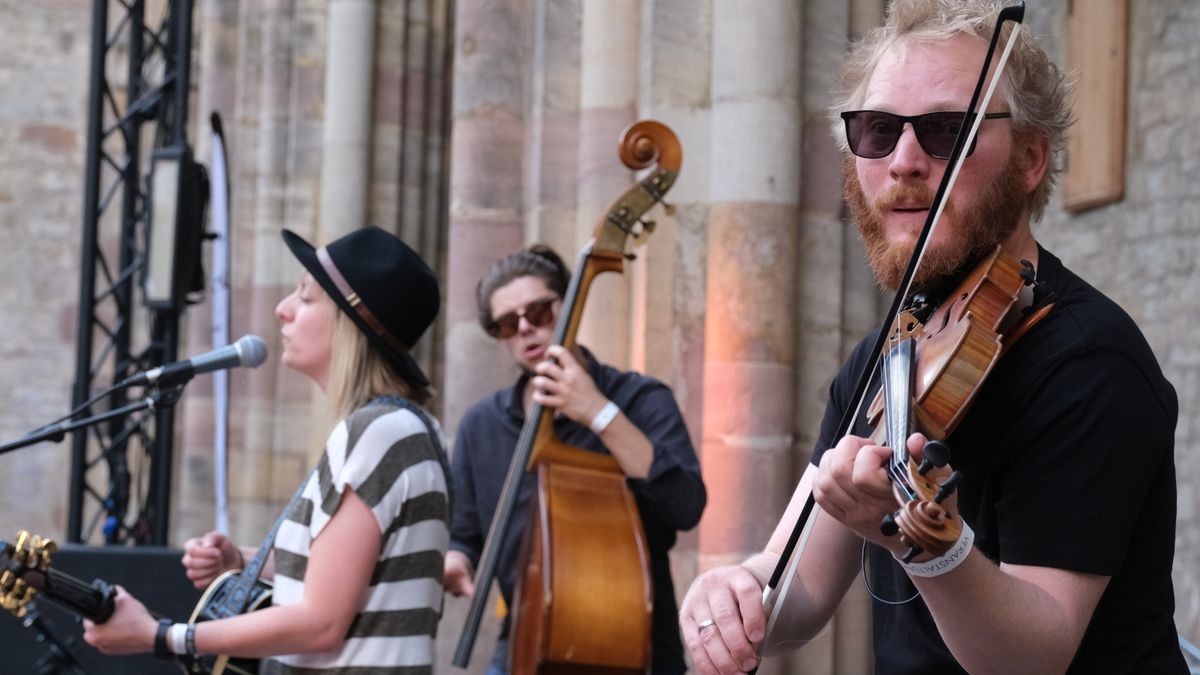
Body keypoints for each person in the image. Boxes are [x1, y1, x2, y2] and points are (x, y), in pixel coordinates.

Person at [679, 1, 1185, 674]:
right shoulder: (890, 349)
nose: (905, 161)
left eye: (949, 130)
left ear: (1031, 159)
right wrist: (738, 594)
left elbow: (1034, 656)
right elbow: (794, 585)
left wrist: (917, 539)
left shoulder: (1086, 361)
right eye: (878, 130)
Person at [83, 225, 452, 674]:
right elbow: (347, 579)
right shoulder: (398, 428)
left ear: (350, 323)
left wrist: (162, 636)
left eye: (305, 297)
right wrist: (243, 561)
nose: (282, 310)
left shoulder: (379, 433)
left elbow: (320, 623)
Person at [443, 244, 707, 674]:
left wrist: (597, 411)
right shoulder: (481, 425)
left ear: (567, 306)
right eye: (508, 324)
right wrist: (457, 559)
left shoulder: (639, 399)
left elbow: (685, 503)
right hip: (520, 650)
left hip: (634, 649)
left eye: (540, 312)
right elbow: (465, 532)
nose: (526, 329)